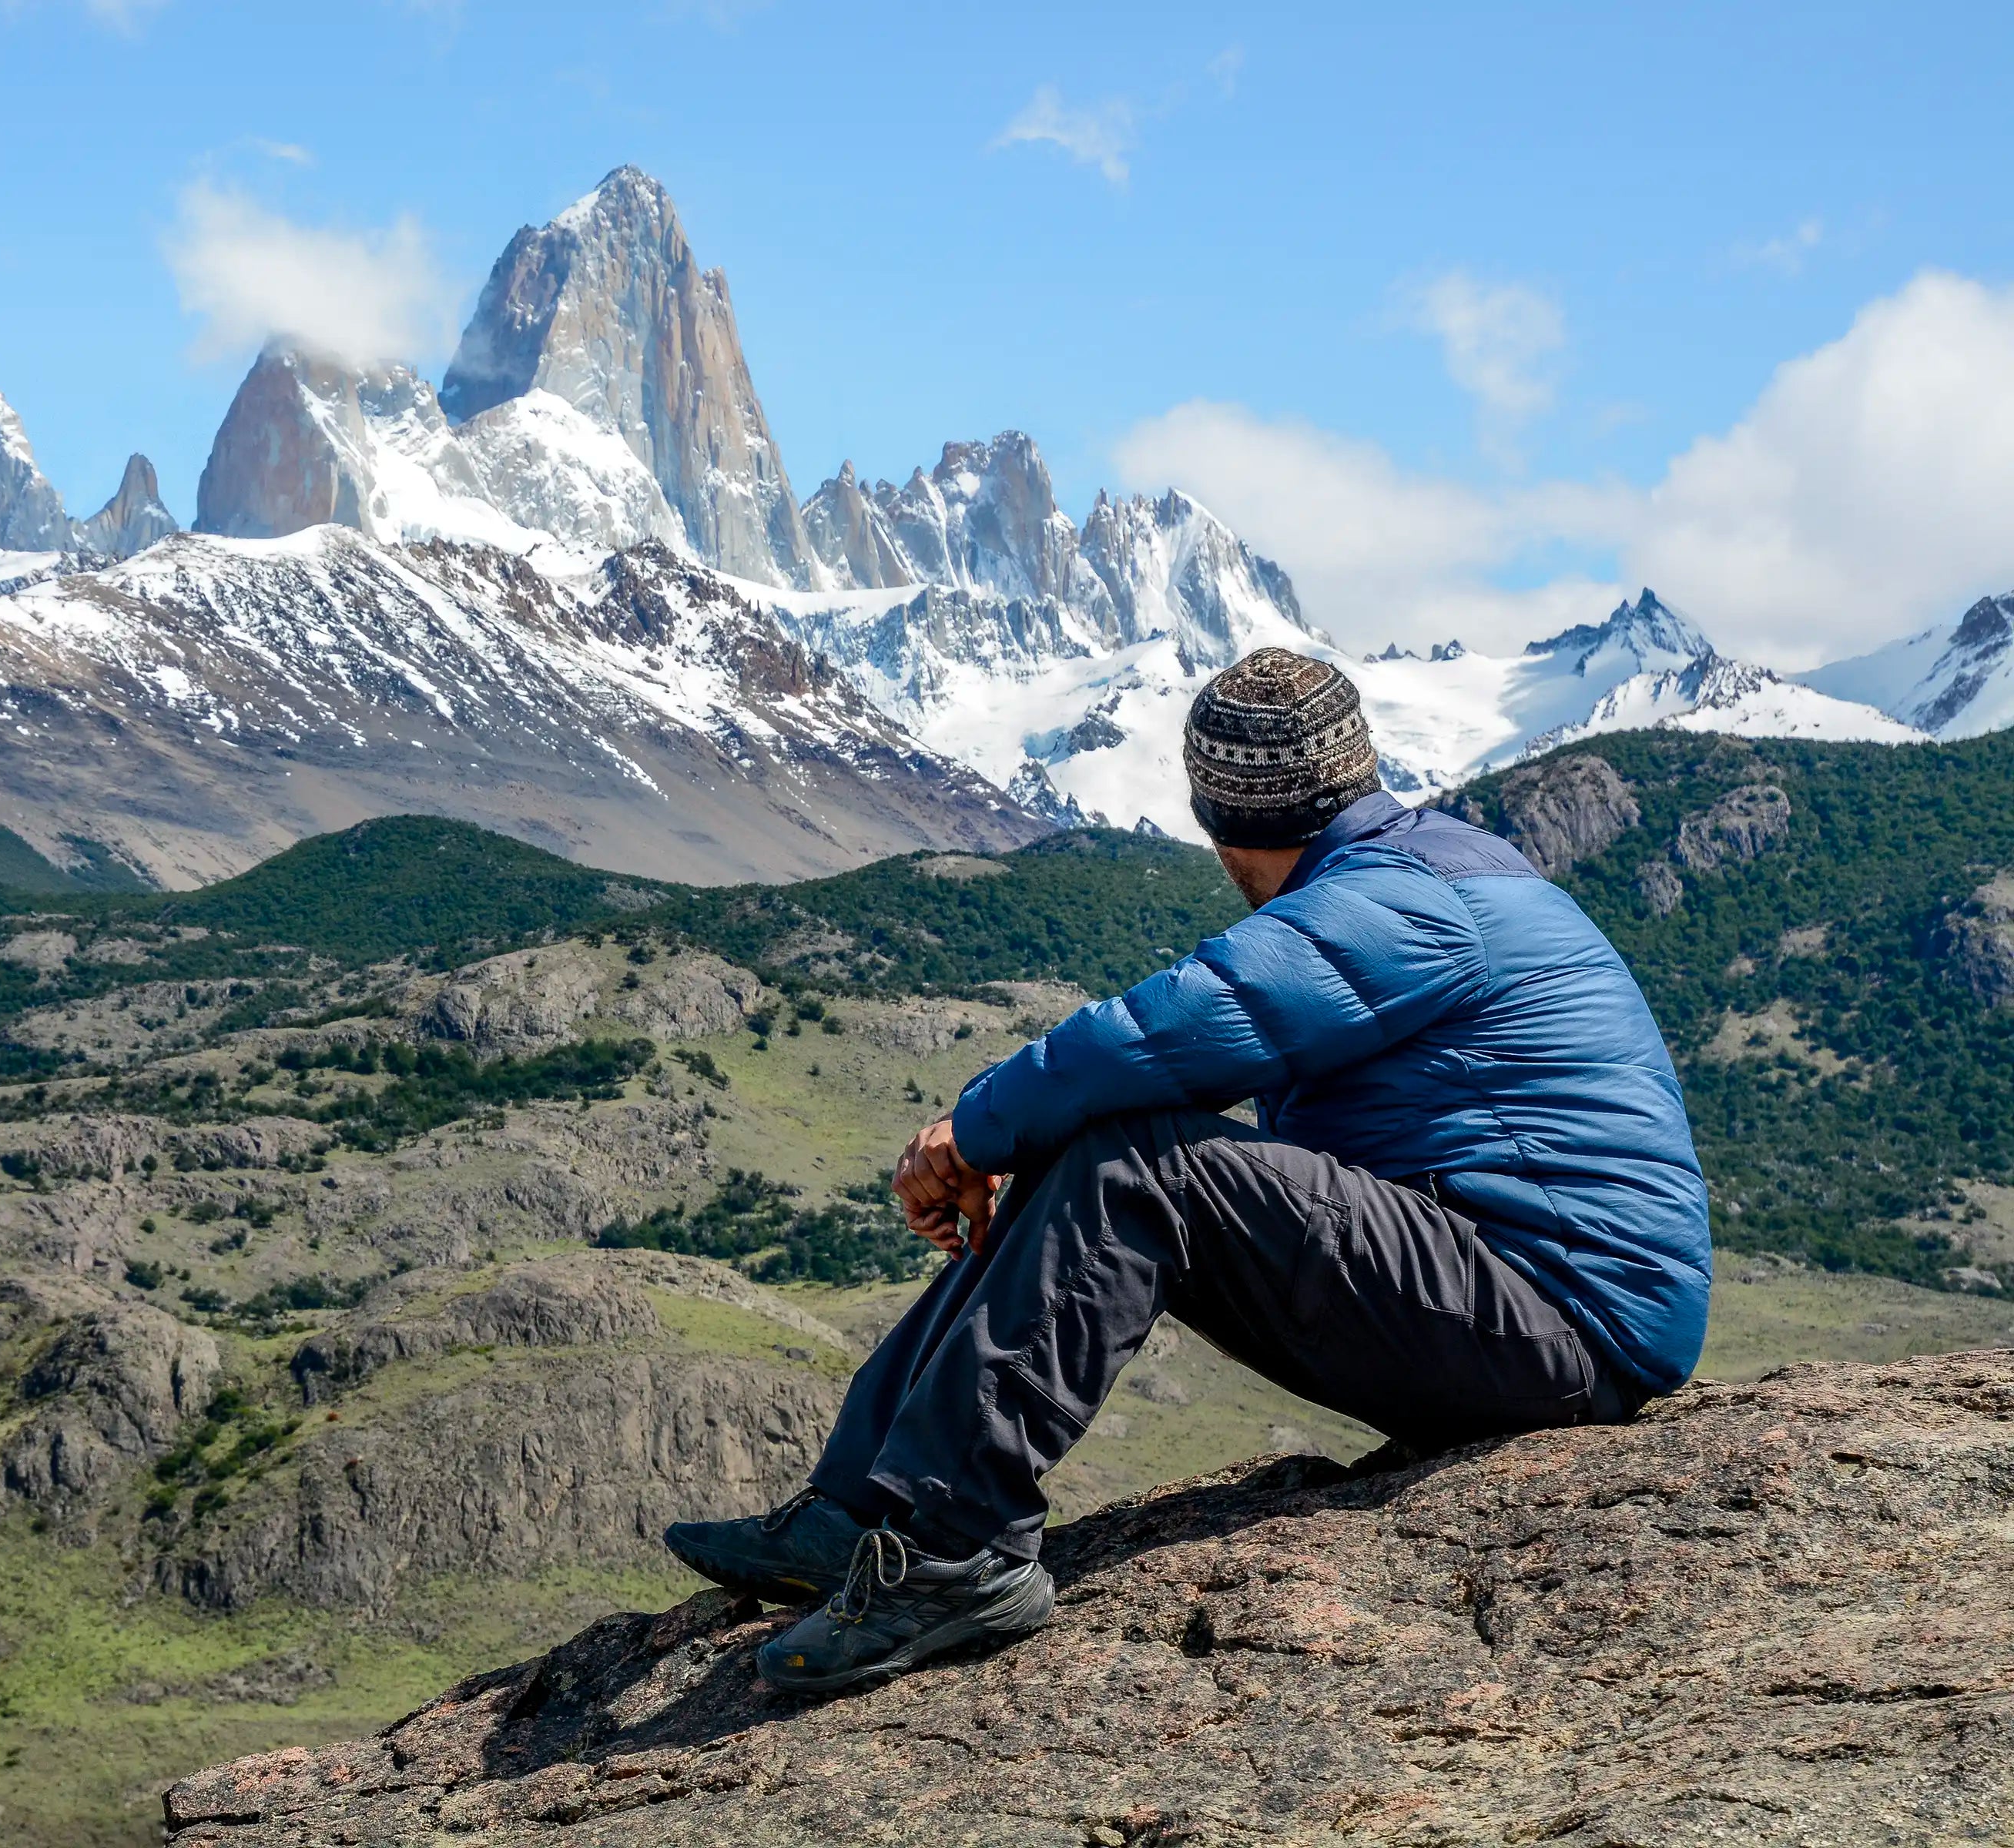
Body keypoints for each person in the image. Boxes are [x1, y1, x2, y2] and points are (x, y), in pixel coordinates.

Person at [668, 648, 1711, 1696]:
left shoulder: (1408, 900)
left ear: (1221, 821)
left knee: (1144, 1162)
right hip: (1522, 1299)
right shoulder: (1414, 868)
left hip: (1567, 1323)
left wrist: (969, 1136)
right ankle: (858, 1516)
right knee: (1109, 1143)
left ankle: (955, 1549)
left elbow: (1172, 1030)